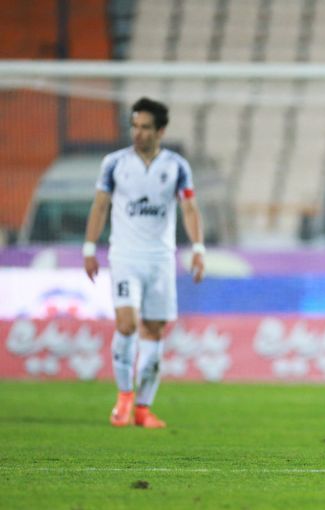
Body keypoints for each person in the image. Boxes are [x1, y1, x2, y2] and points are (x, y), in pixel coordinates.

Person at [83, 97, 205, 428]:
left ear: (160, 131)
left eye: (145, 127)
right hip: (125, 256)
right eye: (134, 126)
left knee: (154, 330)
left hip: (161, 260)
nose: (138, 133)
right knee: (126, 324)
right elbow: (100, 206)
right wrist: (89, 248)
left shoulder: (177, 166)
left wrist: (198, 248)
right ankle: (124, 396)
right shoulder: (114, 163)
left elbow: (189, 208)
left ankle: (143, 409)